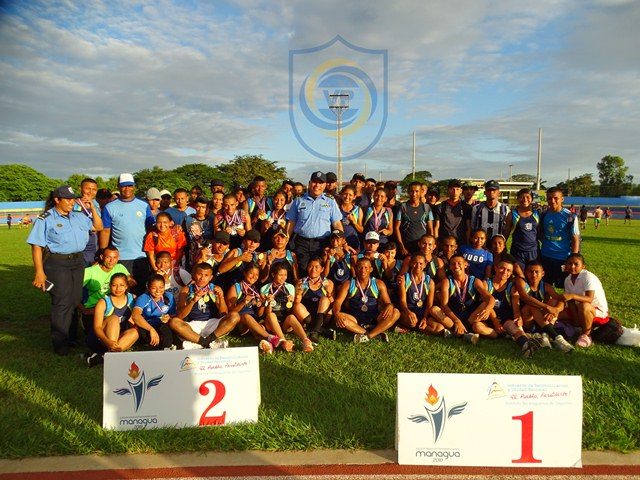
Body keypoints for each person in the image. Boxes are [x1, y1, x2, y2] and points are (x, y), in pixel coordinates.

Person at [27, 185, 103, 355]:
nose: (71, 202)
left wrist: (92, 208)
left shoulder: (78, 216)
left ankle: (71, 337)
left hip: (77, 261)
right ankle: (60, 342)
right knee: (62, 301)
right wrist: (39, 272)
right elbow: (36, 247)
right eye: (68, 199)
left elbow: (98, 227)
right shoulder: (46, 219)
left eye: (73, 199)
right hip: (57, 263)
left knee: (75, 300)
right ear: (57, 200)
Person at [99, 174, 154, 293]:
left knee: (142, 291)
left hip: (142, 256)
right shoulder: (110, 207)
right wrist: (102, 252)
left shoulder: (144, 205)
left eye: (130, 185)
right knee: (121, 292)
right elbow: (105, 231)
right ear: (118, 186)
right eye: (124, 186)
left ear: (134, 186)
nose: (127, 189)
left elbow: (151, 229)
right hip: (120, 258)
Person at [171, 263, 239, 349]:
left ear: (211, 277)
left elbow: (224, 314)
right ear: (194, 275)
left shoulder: (215, 289)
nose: (202, 278)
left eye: (206, 275)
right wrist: (193, 301)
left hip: (212, 324)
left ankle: (203, 341)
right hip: (193, 326)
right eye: (199, 274)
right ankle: (206, 343)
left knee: (235, 316)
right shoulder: (186, 290)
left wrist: (221, 298)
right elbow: (180, 316)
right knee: (174, 322)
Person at [485, 257, 543, 357]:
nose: (505, 272)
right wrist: (495, 322)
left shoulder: (512, 287)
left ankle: (526, 345)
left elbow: (516, 305)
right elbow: (486, 304)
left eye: (508, 270)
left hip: (505, 318)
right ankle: (507, 335)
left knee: (515, 328)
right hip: (488, 317)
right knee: (478, 327)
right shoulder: (486, 284)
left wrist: (518, 317)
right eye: (502, 268)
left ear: (511, 273)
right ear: (495, 268)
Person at [286, 171, 343, 272]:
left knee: (320, 270)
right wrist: (285, 240)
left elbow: (337, 223)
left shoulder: (330, 201)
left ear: (325, 185)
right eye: (314, 182)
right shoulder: (299, 200)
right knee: (303, 270)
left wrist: (340, 244)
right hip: (302, 243)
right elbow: (291, 222)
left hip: (322, 243)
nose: (317, 185)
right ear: (309, 183)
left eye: (320, 183)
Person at [333, 257, 400, 343]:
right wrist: (337, 313)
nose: (363, 270)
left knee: (396, 312)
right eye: (360, 267)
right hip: (355, 319)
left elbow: (387, 302)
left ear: (371, 269)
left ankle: (368, 336)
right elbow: (338, 301)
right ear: (356, 268)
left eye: (366, 267)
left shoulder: (379, 283)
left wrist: (390, 306)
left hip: (375, 318)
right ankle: (376, 333)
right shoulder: (348, 284)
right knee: (340, 317)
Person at [514, 260, 574, 353]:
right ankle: (557, 337)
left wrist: (556, 310)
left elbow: (560, 299)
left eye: (536, 272)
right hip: (526, 320)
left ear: (543, 274)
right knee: (532, 306)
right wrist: (547, 307)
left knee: (554, 301)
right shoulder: (521, 282)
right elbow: (526, 298)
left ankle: (545, 334)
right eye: (531, 272)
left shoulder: (546, 286)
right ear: (525, 273)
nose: (534, 275)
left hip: (541, 319)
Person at [225, 263, 284, 354]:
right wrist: (243, 302)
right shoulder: (235, 288)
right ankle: (270, 338)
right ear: (245, 273)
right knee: (247, 316)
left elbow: (259, 314)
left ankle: (269, 345)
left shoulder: (255, 288)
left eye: (257, 274)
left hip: (254, 321)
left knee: (261, 326)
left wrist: (264, 304)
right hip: (240, 323)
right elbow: (231, 312)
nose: (254, 277)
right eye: (251, 273)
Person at [436, 254, 494, 344]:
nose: (456, 266)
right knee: (434, 310)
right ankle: (465, 333)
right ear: (450, 267)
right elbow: (444, 305)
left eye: (459, 263)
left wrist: (488, 309)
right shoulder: (447, 281)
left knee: (485, 304)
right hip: (454, 316)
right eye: (453, 264)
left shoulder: (475, 281)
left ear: (465, 264)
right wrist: (456, 320)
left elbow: (490, 298)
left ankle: (457, 331)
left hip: (471, 318)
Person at [85, 273, 138, 366]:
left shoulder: (133, 299)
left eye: (121, 285)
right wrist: (107, 341)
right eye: (114, 285)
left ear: (126, 286)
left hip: (117, 339)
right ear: (110, 286)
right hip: (100, 338)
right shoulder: (103, 302)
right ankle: (111, 355)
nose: (118, 288)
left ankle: (107, 357)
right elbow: (97, 328)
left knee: (135, 332)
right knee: (114, 318)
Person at [559, 253, 610, 348]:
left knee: (584, 305)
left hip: (596, 310)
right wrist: (575, 321)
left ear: (583, 266)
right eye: (569, 263)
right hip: (578, 309)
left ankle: (586, 335)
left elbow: (589, 299)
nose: (572, 266)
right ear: (565, 265)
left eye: (576, 264)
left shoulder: (588, 277)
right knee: (557, 314)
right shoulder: (567, 279)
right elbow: (570, 301)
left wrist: (573, 296)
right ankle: (576, 328)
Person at [260, 264, 314, 352]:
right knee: (271, 315)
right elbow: (267, 313)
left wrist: (291, 302)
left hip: (285, 322)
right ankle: (284, 341)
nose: (283, 277)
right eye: (280, 275)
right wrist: (269, 303)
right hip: (271, 323)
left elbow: (289, 310)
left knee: (291, 317)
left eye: (285, 275)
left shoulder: (290, 287)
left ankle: (306, 341)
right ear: (273, 275)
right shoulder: (265, 289)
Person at [81, 246, 134, 330]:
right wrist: (82, 309)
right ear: (102, 257)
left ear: (118, 258)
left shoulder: (120, 267)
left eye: (115, 258)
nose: (111, 261)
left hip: (115, 307)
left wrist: (127, 281)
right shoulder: (90, 271)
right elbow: (73, 291)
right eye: (108, 257)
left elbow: (132, 283)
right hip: (94, 308)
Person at [539, 187, 580, 288]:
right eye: (549, 198)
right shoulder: (544, 215)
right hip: (545, 257)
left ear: (562, 199)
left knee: (566, 286)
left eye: (555, 198)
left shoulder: (570, 216)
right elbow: (540, 233)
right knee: (546, 285)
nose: (552, 201)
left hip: (563, 258)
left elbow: (575, 239)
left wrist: (572, 259)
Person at [397, 253, 444, 336]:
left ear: (425, 265)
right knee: (412, 322)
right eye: (415, 263)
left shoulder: (430, 282)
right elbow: (402, 301)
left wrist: (425, 318)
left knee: (439, 328)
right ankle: (417, 328)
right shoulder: (405, 278)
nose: (418, 266)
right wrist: (408, 312)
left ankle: (417, 328)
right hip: (408, 310)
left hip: (423, 312)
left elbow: (429, 304)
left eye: (421, 263)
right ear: (411, 264)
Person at [294, 257, 336, 344]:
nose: (313, 270)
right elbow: (296, 303)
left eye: (317, 267)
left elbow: (333, 304)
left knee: (325, 299)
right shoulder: (302, 282)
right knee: (297, 306)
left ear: (322, 269)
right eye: (310, 266)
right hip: (308, 316)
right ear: (307, 268)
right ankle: (320, 330)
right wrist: (299, 293)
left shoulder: (328, 282)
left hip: (323, 316)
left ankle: (314, 331)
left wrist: (328, 293)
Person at [131, 274, 177, 350]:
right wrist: (151, 329)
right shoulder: (143, 298)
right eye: (154, 288)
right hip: (147, 325)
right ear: (148, 288)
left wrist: (169, 317)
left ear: (164, 286)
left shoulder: (169, 296)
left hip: (163, 325)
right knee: (143, 332)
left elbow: (173, 315)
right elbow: (135, 316)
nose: (158, 291)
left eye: (161, 287)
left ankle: (166, 347)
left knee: (166, 331)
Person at [394, 181, 434, 256]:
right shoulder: (402, 207)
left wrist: (430, 247)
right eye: (412, 191)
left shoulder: (427, 208)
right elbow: (396, 227)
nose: (414, 194)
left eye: (417, 191)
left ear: (421, 192)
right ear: (408, 192)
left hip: (422, 247)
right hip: (406, 247)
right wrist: (401, 246)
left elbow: (430, 228)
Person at [504, 188, 540, 269]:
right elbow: (506, 233)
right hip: (517, 251)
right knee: (519, 274)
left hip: (533, 251)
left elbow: (539, 232)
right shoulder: (512, 214)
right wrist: (503, 245)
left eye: (528, 197)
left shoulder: (537, 213)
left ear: (532, 199)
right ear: (517, 199)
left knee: (532, 274)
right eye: (521, 197)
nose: (525, 199)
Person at [72, 178, 101, 266]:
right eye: (87, 188)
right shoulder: (72, 204)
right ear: (80, 189)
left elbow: (99, 227)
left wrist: (92, 208)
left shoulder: (96, 204)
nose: (91, 192)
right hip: (78, 248)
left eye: (94, 189)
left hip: (93, 247)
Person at [183, 196, 214, 271]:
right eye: (198, 206)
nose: (200, 209)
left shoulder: (212, 220)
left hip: (208, 255)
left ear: (207, 208)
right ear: (195, 206)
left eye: (203, 207)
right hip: (193, 254)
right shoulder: (188, 219)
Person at [434, 179, 469, 245]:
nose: (455, 191)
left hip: (461, 243)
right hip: (444, 243)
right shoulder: (440, 207)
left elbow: (468, 228)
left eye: (457, 189)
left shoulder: (466, 207)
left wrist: (467, 244)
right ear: (448, 190)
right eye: (452, 189)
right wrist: (436, 243)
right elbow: (436, 227)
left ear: (461, 191)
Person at [338, 185, 364, 251]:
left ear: (354, 197)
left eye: (350, 195)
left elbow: (361, 230)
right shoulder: (336, 208)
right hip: (338, 243)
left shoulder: (358, 210)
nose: (347, 197)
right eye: (345, 194)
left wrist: (354, 222)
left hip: (353, 242)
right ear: (341, 195)